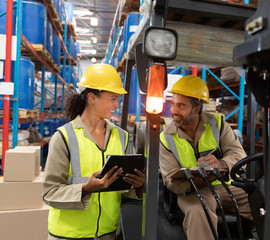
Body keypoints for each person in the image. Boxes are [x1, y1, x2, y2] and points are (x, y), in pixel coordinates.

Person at [42, 64, 144, 240]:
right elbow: (50, 192)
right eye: (112, 98)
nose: (116, 104)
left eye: (117, 99)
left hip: (108, 233)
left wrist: (138, 185)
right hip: (69, 235)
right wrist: (86, 188)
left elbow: (125, 190)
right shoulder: (64, 137)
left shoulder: (122, 137)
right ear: (92, 97)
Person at [159, 75, 253, 240]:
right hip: (194, 191)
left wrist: (221, 163)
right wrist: (201, 180)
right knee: (197, 212)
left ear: (196, 109)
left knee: (261, 199)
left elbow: (238, 154)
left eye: (181, 105)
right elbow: (170, 180)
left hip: (226, 186)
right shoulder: (165, 138)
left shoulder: (218, 124)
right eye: (172, 104)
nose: (173, 110)